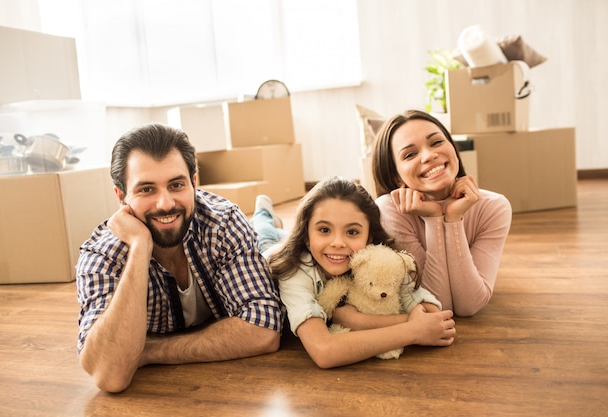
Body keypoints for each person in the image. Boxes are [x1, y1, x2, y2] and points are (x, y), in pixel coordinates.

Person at [75, 123, 283, 393]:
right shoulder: (101, 257)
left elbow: (264, 331)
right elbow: (110, 375)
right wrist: (139, 248)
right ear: (120, 195)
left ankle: (264, 214)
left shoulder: (225, 221)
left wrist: (149, 351)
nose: (165, 204)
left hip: (261, 240)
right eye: (146, 190)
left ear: (194, 182)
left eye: (176, 185)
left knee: (269, 240)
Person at [253, 177, 456, 369]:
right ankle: (263, 212)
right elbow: (324, 351)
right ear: (306, 235)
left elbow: (433, 317)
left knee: (281, 236)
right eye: (324, 229)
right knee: (263, 234)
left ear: (370, 237)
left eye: (352, 232)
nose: (338, 243)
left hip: (313, 247)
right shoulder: (294, 270)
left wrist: (356, 321)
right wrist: (412, 330)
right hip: (272, 251)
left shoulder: (378, 261)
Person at [372, 110, 512, 317]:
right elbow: (438, 303)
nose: (429, 155)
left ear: (453, 150)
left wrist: (454, 219)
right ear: (396, 177)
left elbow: (469, 305)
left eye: (436, 142)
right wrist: (434, 219)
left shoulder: (494, 207)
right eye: (410, 154)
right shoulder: (390, 210)